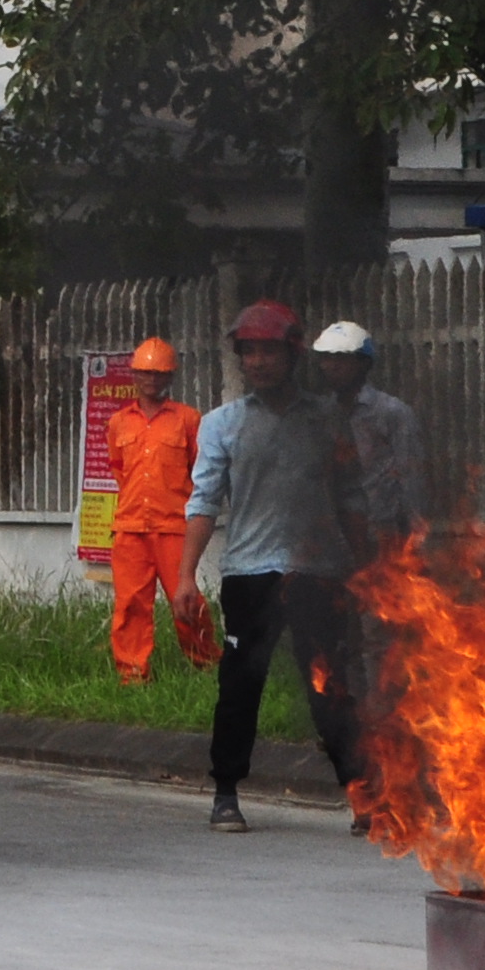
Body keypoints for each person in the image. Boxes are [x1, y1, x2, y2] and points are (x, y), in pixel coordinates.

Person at [183, 300, 365, 834]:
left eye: (268, 350)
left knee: (331, 688)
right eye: (249, 352)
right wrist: (183, 577)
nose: (258, 362)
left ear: (292, 354)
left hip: (320, 571)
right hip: (249, 575)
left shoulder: (329, 419)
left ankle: (361, 795)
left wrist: (366, 569)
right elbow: (203, 502)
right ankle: (225, 791)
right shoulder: (222, 425)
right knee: (241, 684)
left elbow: (352, 497)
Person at [102, 336, 218, 681]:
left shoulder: (189, 420)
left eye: (159, 374)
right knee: (130, 607)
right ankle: (133, 676)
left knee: (187, 601)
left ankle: (207, 665)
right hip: (131, 530)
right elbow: (119, 468)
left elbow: (201, 474)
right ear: (134, 375)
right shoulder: (119, 422)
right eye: (145, 373)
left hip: (174, 529)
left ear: (170, 377)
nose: (151, 380)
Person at [311, 320, 424, 561]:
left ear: (363, 364)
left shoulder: (391, 412)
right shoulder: (321, 414)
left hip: (383, 531)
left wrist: (416, 529)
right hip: (335, 533)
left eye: (341, 358)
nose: (332, 366)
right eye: (326, 358)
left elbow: (411, 471)